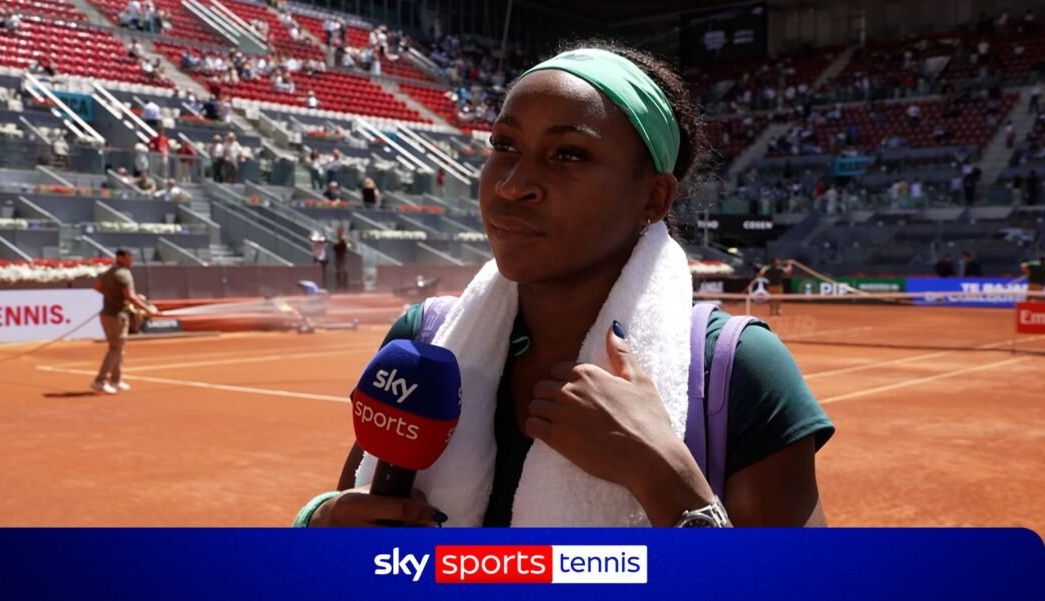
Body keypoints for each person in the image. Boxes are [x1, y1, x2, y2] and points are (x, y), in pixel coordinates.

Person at [296, 42, 833, 528]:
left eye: (569, 154)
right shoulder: (423, 339)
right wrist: (320, 522)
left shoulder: (737, 370)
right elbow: (352, 536)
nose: (511, 184)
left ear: (653, 198)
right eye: (504, 144)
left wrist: (662, 474)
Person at [91, 250, 157, 394]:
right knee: (115, 349)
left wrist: (112, 296)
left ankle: (116, 381)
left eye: (131, 258)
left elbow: (97, 288)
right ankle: (100, 381)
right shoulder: (124, 274)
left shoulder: (108, 272)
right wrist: (148, 309)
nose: (130, 260)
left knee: (118, 348)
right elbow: (130, 296)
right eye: (128, 258)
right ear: (120, 257)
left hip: (107, 315)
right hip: (117, 316)